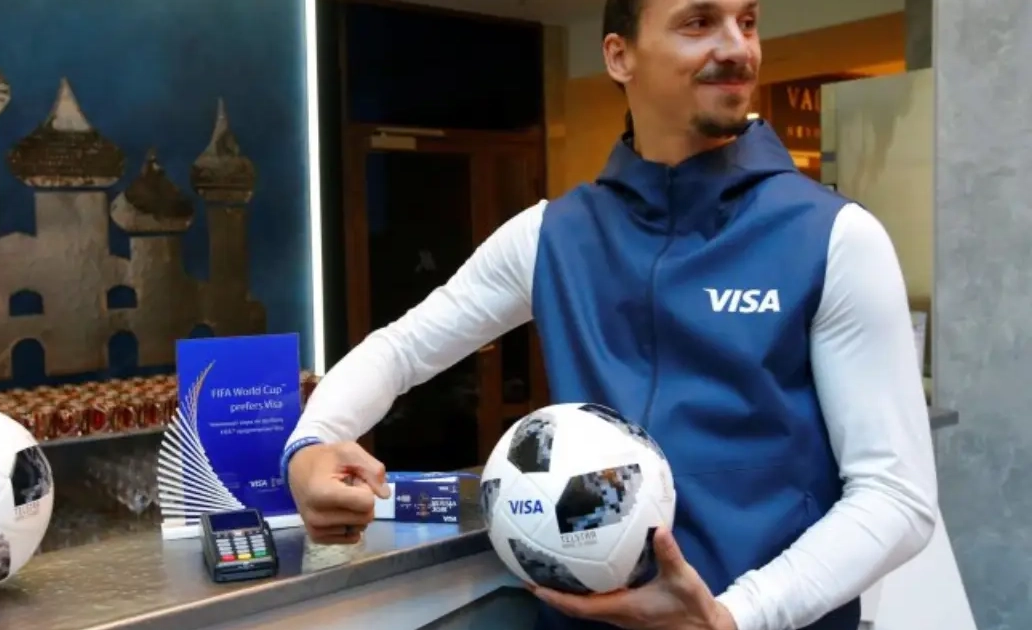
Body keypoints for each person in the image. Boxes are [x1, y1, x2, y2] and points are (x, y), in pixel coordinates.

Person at [280, 0, 939, 628]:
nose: (737, 47)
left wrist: (735, 616)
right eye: (699, 22)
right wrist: (310, 446)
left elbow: (896, 497)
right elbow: (401, 348)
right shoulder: (551, 237)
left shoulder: (832, 237)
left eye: (747, 21)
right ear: (620, 56)